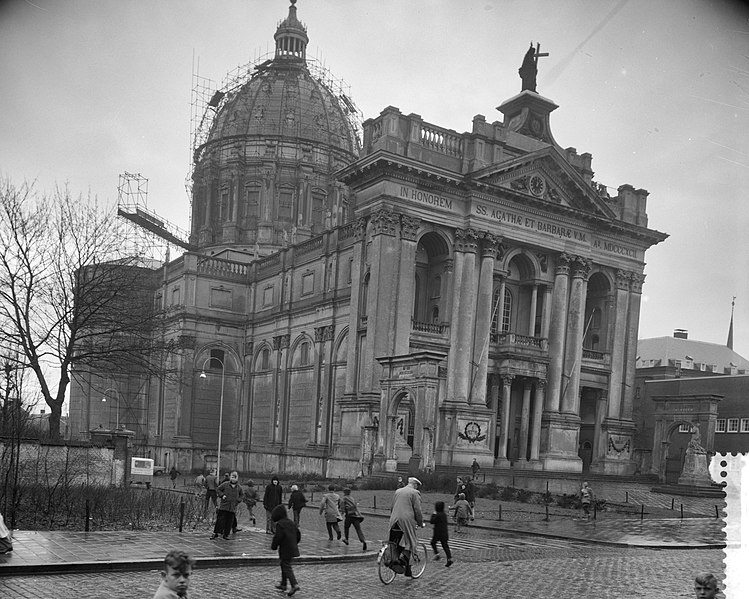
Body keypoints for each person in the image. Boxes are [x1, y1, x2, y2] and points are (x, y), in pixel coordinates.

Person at [388, 476, 424, 578]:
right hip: (406, 520)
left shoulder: (398, 491)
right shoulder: (414, 493)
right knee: (411, 541)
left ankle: (405, 568)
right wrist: (420, 522)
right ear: (415, 485)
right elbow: (417, 510)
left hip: (394, 519)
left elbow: (392, 506)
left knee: (394, 541)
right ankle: (402, 560)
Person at [271, 504, 301, 597]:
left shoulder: (280, 524)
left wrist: (274, 546)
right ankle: (283, 584)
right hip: (292, 547)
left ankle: (294, 584)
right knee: (283, 564)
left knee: (286, 566)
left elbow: (278, 537)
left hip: (285, 548)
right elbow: (298, 534)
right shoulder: (291, 522)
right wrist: (295, 543)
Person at [211, 470, 244, 540]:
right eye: (232, 477)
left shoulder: (239, 487)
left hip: (232, 507)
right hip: (224, 506)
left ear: (237, 478)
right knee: (220, 520)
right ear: (230, 477)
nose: (233, 479)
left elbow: (242, 495)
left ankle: (226, 534)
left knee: (229, 521)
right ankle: (216, 533)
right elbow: (218, 489)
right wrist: (222, 495)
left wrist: (238, 500)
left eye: (235, 477)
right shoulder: (225, 484)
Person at [429, 501, 452, 567]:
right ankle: (449, 558)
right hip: (444, 532)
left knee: (433, 543)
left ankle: (437, 554)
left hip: (438, 532)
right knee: (445, 546)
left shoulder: (437, 515)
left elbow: (432, 521)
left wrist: (433, 514)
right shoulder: (444, 514)